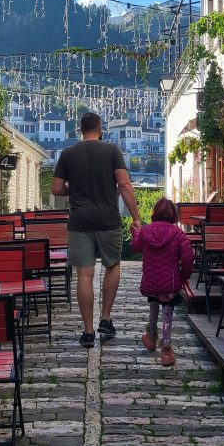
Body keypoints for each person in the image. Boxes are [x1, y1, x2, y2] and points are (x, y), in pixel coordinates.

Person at [51, 112, 141, 347]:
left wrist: (76, 188)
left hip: (79, 221)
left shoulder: (68, 154)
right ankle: (106, 318)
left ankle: (88, 331)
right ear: (100, 128)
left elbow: (56, 189)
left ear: (81, 130)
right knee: (112, 266)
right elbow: (124, 184)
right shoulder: (112, 151)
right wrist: (136, 217)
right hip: (108, 220)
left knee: (84, 275)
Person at [131, 197, 194, 367]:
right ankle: (166, 349)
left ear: (155, 213)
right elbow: (188, 257)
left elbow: (136, 247)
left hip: (151, 281)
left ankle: (151, 335)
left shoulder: (145, 231)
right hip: (170, 282)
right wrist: (184, 276)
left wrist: (136, 233)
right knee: (167, 312)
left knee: (153, 305)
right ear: (173, 215)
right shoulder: (178, 233)